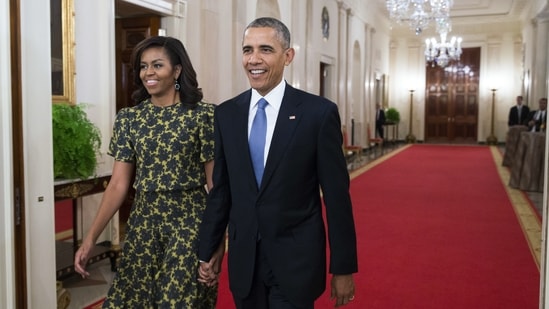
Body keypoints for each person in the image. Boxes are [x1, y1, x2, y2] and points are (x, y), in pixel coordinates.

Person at [198, 17, 358, 308]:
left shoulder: (317, 114)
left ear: (288, 56)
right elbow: (222, 190)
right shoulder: (226, 114)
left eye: (265, 49)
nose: (253, 59)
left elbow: (336, 198)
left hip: (295, 261)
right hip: (245, 262)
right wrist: (209, 248)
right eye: (247, 50)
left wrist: (343, 266)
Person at [73, 36, 224, 308]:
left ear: (177, 71)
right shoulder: (129, 119)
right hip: (143, 224)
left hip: (189, 223)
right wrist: (90, 238)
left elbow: (216, 186)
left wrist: (219, 242)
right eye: (143, 67)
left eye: (157, 65)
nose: (148, 73)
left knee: (178, 301)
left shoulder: (203, 115)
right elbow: (118, 184)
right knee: (132, 301)